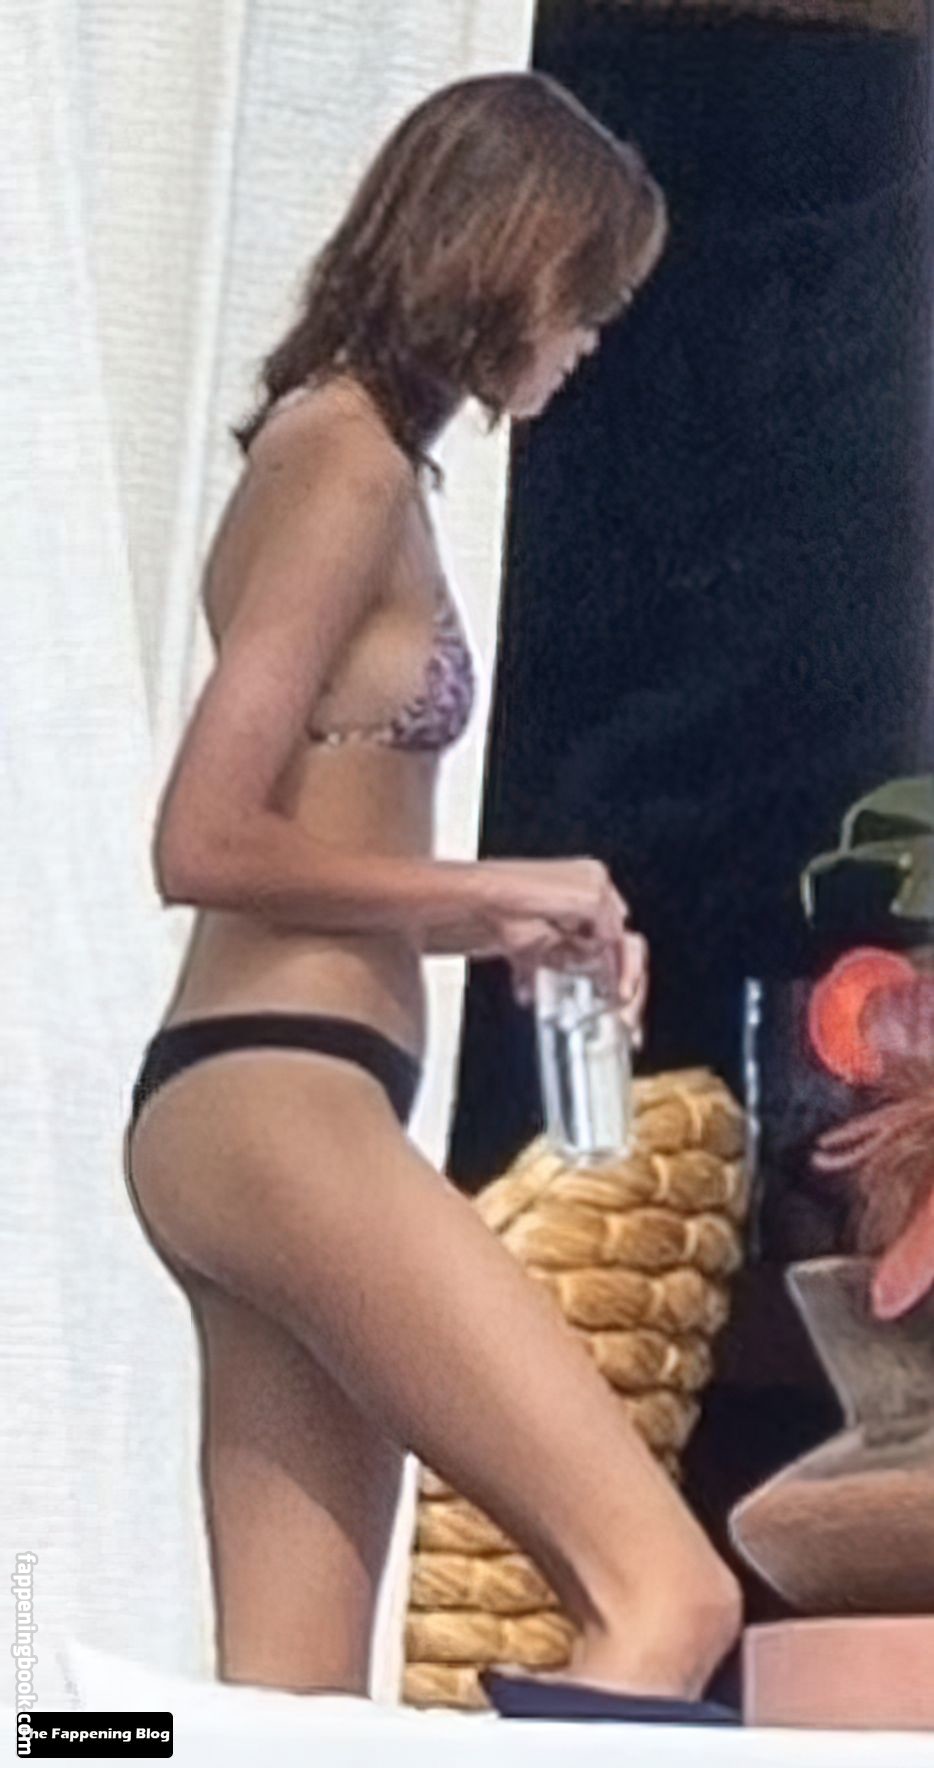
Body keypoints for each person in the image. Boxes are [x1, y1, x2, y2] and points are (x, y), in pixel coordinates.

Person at [123, 70, 741, 1710]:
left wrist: (488, 918)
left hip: (254, 1104)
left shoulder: (334, 449)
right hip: (282, 1103)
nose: (590, 340)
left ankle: (81, 1737)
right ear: (504, 258)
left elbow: (302, 831)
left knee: (292, 1718)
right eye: (586, 297)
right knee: (665, 1595)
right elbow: (200, 841)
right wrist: (496, 884)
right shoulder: (345, 466)